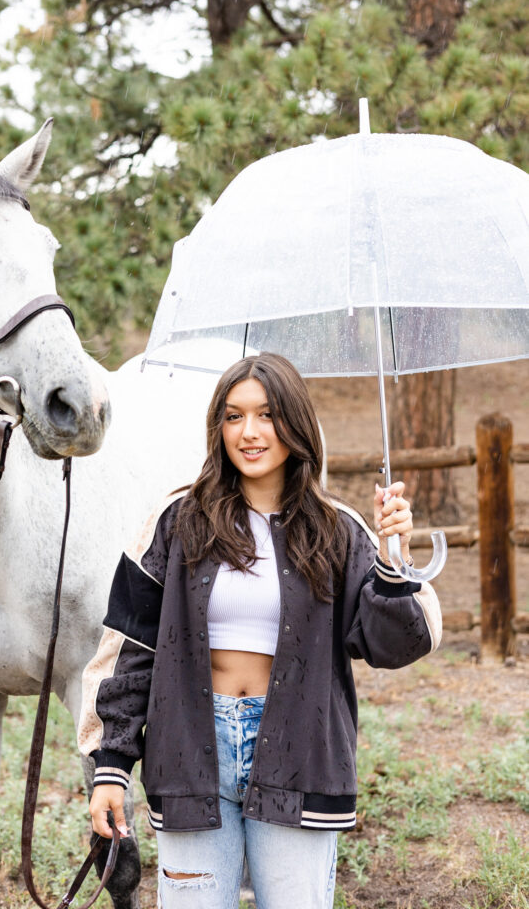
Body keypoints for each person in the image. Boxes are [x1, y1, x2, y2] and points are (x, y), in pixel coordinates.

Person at [78, 353, 442, 909]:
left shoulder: (338, 530)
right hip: (190, 758)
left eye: (267, 415)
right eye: (232, 416)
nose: (249, 432)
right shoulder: (177, 520)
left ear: (295, 423)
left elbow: (391, 646)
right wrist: (111, 767)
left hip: (301, 756)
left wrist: (393, 562)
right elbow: (130, 650)